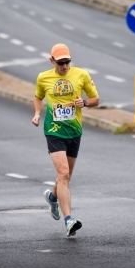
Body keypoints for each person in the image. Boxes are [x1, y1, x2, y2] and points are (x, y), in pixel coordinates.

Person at [32, 43, 99, 237]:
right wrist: (37, 113)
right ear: (52, 61)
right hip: (53, 131)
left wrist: (84, 102)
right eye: (60, 63)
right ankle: (69, 220)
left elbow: (96, 99)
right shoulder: (43, 77)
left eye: (67, 62)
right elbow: (38, 97)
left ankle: (53, 197)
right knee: (63, 173)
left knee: (66, 176)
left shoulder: (81, 75)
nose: (65, 66)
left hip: (74, 131)